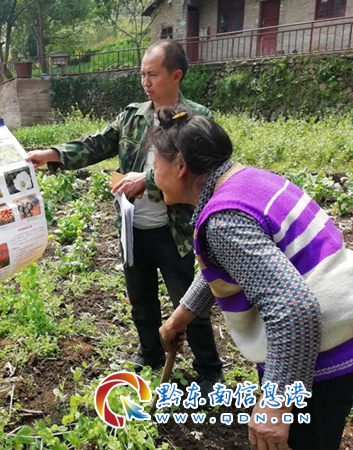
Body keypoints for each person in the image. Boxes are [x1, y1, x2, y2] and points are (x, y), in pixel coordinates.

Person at [27, 40, 223, 392]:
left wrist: (147, 180)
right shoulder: (133, 116)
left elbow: (203, 170)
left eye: (153, 74)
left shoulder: (196, 119)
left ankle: (209, 370)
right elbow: (95, 144)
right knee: (140, 298)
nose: (145, 82)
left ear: (176, 75)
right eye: (142, 74)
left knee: (188, 301)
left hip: (174, 230)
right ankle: (150, 351)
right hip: (133, 227)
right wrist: (51, 154)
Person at [155, 108, 353, 450]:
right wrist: (180, 318)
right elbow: (234, 264)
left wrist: (276, 404)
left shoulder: (224, 220)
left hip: (316, 354)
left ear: (181, 166)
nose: (153, 174)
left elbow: (294, 309)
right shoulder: (247, 181)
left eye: (155, 163)